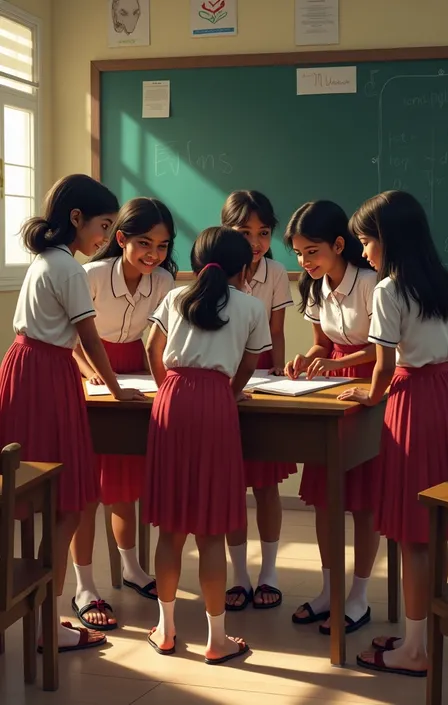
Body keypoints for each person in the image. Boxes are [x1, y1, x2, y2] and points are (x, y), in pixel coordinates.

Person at [0, 174, 145, 653]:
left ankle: (48, 613)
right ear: (76, 219)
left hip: (31, 369)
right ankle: (48, 621)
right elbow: (88, 337)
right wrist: (117, 388)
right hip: (43, 378)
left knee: (47, 499)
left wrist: (96, 378)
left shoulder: (48, 261)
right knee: (66, 503)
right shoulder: (67, 268)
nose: (105, 238)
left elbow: (67, 339)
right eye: (103, 226)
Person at [338, 190, 448, 677]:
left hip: (412, 401)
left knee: (414, 534)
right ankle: (422, 636)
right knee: (432, 528)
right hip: (446, 397)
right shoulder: (445, 283)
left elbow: (386, 362)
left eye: (366, 242)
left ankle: (415, 652)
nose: (364, 252)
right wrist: (436, 359)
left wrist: (370, 397)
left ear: (389, 240)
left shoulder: (388, 290)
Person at [144, 226, 272, 664]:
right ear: (245, 268)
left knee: (171, 528)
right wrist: (229, 393)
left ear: (196, 265)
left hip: (172, 401)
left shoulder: (175, 297)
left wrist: (168, 389)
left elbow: (152, 348)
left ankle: (165, 630)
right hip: (217, 403)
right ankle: (217, 640)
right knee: (211, 528)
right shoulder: (252, 306)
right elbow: (251, 363)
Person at [70, 197, 177, 630]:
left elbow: (160, 340)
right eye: (144, 244)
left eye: (163, 245)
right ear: (120, 240)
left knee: (125, 481)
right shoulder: (91, 274)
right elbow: (73, 338)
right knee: (86, 489)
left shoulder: (166, 282)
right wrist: (94, 374)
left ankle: (132, 570)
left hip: (136, 375)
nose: (154, 254)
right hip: (90, 377)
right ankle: (83, 585)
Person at [283, 200, 380, 635]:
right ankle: (328, 590)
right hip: (330, 392)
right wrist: (306, 358)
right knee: (324, 496)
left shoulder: (372, 283)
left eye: (312, 252)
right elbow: (323, 345)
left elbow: (383, 351)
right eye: (299, 253)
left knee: (362, 499)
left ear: (340, 245)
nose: (305, 262)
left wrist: (339, 364)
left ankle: (358, 595)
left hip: (369, 387)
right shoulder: (315, 286)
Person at [221, 190, 296, 611]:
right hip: (225, 373)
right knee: (232, 482)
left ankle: (269, 571)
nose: (255, 242)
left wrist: (280, 372)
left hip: (263, 371)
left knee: (266, 481)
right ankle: (239, 574)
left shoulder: (276, 272)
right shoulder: (214, 271)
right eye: (244, 232)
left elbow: (278, 330)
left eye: (263, 233)